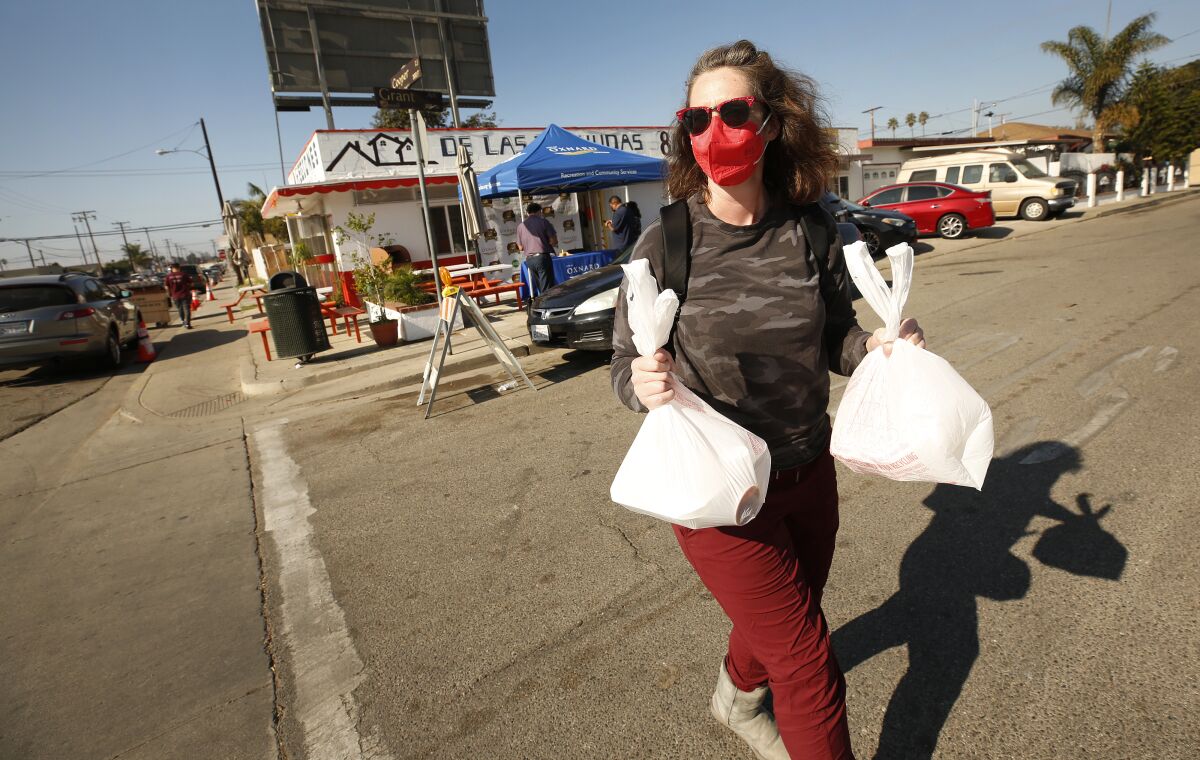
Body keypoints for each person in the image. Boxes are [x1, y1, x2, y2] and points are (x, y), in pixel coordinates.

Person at [610, 40, 925, 760]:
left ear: (772, 124)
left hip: (808, 472)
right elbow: (625, 362)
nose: (714, 130)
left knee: (788, 619)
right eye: (697, 118)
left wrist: (873, 349)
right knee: (808, 664)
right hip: (719, 490)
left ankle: (735, 696)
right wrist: (644, 385)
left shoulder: (814, 229)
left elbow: (836, 335)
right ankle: (761, 703)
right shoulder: (667, 243)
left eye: (734, 111)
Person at [516, 201, 558, 295]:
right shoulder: (544, 222)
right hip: (542, 257)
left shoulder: (520, 226)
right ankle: (547, 307)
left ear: (527, 212)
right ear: (539, 211)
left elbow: (520, 247)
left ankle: (543, 306)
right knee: (547, 288)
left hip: (530, 260)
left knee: (541, 287)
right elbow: (553, 241)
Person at [164, 263, 194, 329]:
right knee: (187, 309)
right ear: (179, 267)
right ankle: (188, 323)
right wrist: (188, 287)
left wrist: (169, 293)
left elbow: (166, 287)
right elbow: (191, 283)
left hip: (175, 296)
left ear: (172, 268)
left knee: (180, 309)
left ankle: (183, 321)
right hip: (185, 294)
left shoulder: (168, 276)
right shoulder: (184, 274)